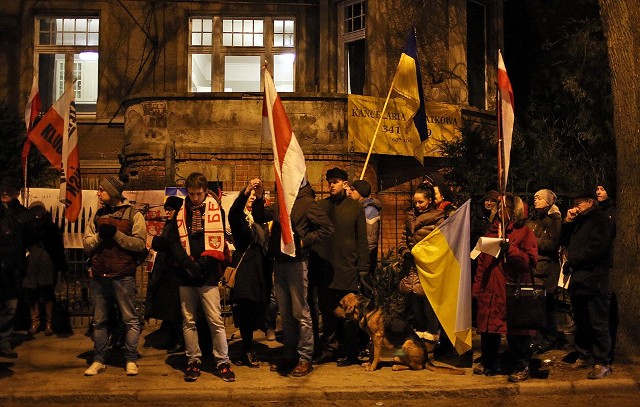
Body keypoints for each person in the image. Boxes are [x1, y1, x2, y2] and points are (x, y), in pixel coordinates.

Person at [152, 172, 235, 382]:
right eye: (191, 194)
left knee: (215, 320)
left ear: (205, 191)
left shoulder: (215, 210)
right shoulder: (181, 211)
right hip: (185, 274)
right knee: (188, 321)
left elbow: (217, 240)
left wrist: (202, 264)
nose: (195, 198)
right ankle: (193, 360)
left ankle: (223, 361)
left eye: (198, 194)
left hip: (207, 275)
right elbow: (173, 241)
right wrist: (188, 265)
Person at [252, 176, 333, 377]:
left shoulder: (306, 203)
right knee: (286, 313)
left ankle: (305, 357)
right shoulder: (282, 201)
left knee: (300, 311)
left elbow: (327, 228)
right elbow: (261, 215)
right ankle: (290, 354)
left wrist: (304, 242)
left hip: (297, 263)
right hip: (280, 261)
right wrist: (260, 197)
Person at [83, 175, 147, 376]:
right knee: (99, 320)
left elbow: (139, 244)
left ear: (112, 192)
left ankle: (130, 359)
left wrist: (117, 235)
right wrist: (101, 236)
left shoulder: (133, 215)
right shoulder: (97, 215)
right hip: (100, 275)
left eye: (101, 189)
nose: (98, 193)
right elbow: (86, 243)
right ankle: (99, 359)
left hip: (123, 275)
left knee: (130, 319)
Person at [473, 193, 538, 382]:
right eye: (498, 207)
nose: (500, 210)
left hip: (511, 289)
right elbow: (481, 264)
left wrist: (510, 249)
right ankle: (490, 363)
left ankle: (521, 365)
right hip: (490, 290)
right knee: (488, 329)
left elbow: (529, 261)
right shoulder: (489, 234)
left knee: (517, 330)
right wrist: (477, 288)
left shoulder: (525, 233)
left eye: (505, 207)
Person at [311, 168, 368, 367]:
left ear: (345, 183)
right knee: (327, 313)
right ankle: (330, 349)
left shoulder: (355, 208)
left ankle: (350, 351)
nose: (331, 185)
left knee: (349, 315)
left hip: (347, 268)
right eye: (329, 182)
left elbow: (362, 239)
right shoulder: (320, 206)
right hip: (325, 268)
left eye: (336, 181)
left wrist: (363, 267)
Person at [560, 189, 614, 379]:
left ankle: (602, 361)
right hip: (579, 279)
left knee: (597, 321)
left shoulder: (601, 221)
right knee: (581, 320)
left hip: (595, 279)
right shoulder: (579, 221)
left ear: (590, 202)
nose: (576, 207)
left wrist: (572, 260)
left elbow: (596, 249)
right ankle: (584, 354)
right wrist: (567, 222)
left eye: (579, 203)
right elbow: (563, 240)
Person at [228, 179, 271, 368]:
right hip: (245, 266)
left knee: (257, 308)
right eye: (249, 197)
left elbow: (262, 216)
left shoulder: (256, 217)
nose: (251, 199)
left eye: (254, 197)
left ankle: (249, 344)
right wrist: (246, 191)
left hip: (259, 266)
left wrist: (260, 195)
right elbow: (234, 211)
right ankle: (246, 348)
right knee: (245, 306)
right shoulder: (239, 217)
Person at [397, 183, 444, 346]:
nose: (417, 205)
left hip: (429, 270)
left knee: (429, 307)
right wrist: (405, 252)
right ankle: (418, 345)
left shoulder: (438, 219)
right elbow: (403, 240)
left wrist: (423, 254)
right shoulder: (410, 217)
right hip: (412, 268)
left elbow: (440, 244)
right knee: (415, 306)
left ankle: (431, 344)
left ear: (429, 201)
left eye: (420, 202)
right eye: (415, 202)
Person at [145, 196, 185, 354]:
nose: (167, 213)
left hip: (175, 271)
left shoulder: (179, 226)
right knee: (170, 309)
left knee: (176, 309)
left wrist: (156, 242)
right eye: (166, 210)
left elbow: (171, 245)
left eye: (170, 210)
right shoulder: (169, 224)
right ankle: (174, 337)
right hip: (166, 270)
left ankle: (179, 340)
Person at [22, 201, 68, 337]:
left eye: (38, 210)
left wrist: (61, 265)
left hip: (47, 261)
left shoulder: (51, 227)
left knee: (48, 291)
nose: (36, 213)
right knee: (32, 291)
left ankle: (48, 323)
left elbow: (58, 247)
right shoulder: (28, 226)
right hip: (32, 261)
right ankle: (34, 322)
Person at [525, 189, 562, 354]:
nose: (535, 201)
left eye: (539, 198)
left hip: (547, 270)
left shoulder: (554, 221)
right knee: (535, 306)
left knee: (547, 306)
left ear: (548, 201)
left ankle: (549, 338)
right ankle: (537, 339)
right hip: (536, 268)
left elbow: (551, 244)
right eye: (534, 198)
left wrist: (531, 241)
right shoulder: (534, 219)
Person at [0, 176, 27, 359]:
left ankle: (3, 341)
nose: (4, 193)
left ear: (17, 193)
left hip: (13, 268)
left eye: (9, 190)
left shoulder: (22, 213)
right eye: (2, 189)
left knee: (10, 307)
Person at [349, 179, 382, 279]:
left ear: (361, 192)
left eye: (353, 189)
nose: (350, 192)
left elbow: (370, 241)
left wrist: (362, 259)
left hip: (364, 260)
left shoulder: (369, 211)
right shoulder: (359, 208)